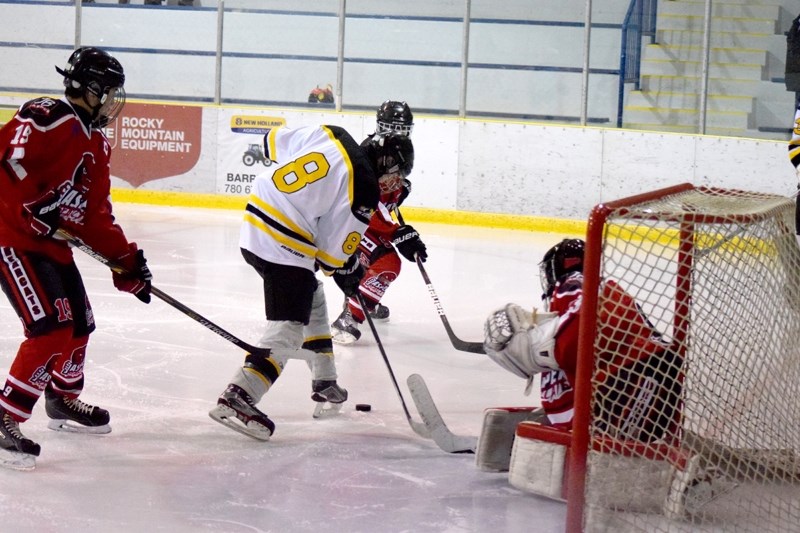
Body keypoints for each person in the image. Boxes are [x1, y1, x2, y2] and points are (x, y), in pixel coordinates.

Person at [208, 124, 414, 441]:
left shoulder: (334, 134)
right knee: (289, 325)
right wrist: (349, 271)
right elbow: (332, 257)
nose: (394, 183)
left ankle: (325, 379)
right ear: (384, 163)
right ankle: (240, 394)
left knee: (311, 291)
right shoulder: (365, 187)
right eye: (395, 174)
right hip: (282, 240)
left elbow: (271, 142)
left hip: (256, 219)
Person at [0, 47, 153, 469]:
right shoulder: (47, 115)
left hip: (51, 244)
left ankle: (62, 399)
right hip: (11, 239)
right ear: (89, 90)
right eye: (109, 93)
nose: (113, 102)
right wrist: (31, 205)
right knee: (51, 328)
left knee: (80, 325)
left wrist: (126, 262)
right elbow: (9, 162)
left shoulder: (97, 143)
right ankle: (6, 416)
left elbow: (94, 216)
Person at [476, 238, 682, 470]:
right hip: (645, 380)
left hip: (641, 383)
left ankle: (618, 460)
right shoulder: (586, 292)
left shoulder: (571, 284)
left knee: (605, 461)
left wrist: (540, 350)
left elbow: (576, 335)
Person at [330, 101, 427, 344]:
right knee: (387, 261)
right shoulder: (368, 154)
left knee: (372, 263)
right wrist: (397, 233)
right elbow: (364, 205)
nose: (399, 132)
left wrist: (399, 192)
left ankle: (364, 299)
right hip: (349, 222)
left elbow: (384, 198)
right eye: (394, 126)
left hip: (365, 220)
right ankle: (350, 316)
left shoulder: (396, 149)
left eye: (404, 127)